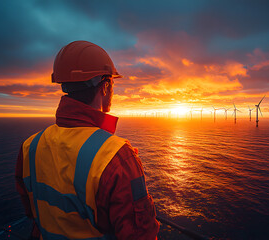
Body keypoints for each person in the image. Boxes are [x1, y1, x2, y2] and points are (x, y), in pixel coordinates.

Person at [15, 40, 160, 239]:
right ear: (105, 85)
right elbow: (141, 235)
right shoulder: (117, 158)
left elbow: (31, 211)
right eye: (112, 82)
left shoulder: (29, 147)